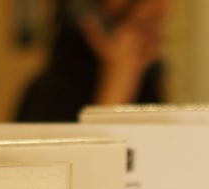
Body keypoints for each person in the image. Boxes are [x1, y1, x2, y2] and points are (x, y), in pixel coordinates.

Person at [16, 0, 169, 122]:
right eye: (145, 25)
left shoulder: (147, 87)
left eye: (158, 22)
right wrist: (118, 80)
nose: (158, 37)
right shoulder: (44, 97)